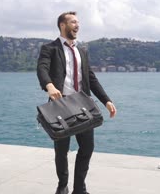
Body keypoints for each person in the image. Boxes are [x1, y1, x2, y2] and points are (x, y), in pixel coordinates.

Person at [37, 11, 117, 194]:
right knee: (61, 150)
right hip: (60, 106)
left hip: (83, 106)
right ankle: (62, 186)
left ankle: (79, 189)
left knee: (87, 148)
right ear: (62, 25)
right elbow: (42, 69)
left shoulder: (82, 51)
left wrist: (106, 100)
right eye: (73, 22)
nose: (77, 25)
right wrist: (49, 86)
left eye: (78, 22)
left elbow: (91, 78)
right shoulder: (49, 49)